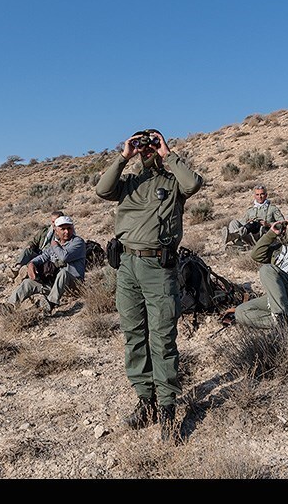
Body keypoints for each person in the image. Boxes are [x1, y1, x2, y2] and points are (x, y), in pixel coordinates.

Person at [95, 128, 203, 441]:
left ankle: (167, 408)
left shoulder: (173, 183)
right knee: (133, 335)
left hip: (158, 267)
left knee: (162, 337)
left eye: (151, 145)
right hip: (126, 266)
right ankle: (146, 402)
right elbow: (102, 190)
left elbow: (193, 183)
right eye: (143, 146)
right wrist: (123, 156)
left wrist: (167, 154)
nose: (147, 150)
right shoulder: (128, 183)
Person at [230, 209, 288, 328]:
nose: (286, 228)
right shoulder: (281, 249)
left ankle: (282, 314)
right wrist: (271, 234)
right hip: (280, 297)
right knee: (241, 312)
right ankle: (286, 322)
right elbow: (256, 254)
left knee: (267, 269)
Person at [0, 215, 86, 316]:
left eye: (69, 228)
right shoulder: (55, 245)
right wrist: (31, 264)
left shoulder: (77, 242)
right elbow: (43, 257)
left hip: (74, 285)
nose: (66, 231)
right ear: (56, 231)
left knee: (63, 273)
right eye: (63, 229)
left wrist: (55, 245)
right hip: (55, 286)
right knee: (28, 283)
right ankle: (9, 307)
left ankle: (50, 304)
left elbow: (64, 257)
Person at [221, 185, 284, 250]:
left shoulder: (272, 209)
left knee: (255, 225)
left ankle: (233, 237)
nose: (260, 197)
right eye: (257, 195)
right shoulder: (250, 210)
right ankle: (240, 244)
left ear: (266, 195)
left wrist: (268, 224)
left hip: (264, 235)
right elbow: (242, 222)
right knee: (234, 223)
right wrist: (247, 222)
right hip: (250, 235)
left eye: (262, 194)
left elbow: (283, 223)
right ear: (254, 196)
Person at [7, 210, 64, 279]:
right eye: (53, 222)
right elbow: (34, 241)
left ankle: (23, 275)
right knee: (27, 251)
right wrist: (30, 245)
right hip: (39, 254)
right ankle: (17, 269)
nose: (54, 224)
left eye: (56, 221)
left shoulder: (64, 235)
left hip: (50, 258)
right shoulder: (45, 231)